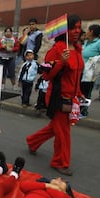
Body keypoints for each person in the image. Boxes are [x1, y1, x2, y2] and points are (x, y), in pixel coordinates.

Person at [26, 15, 85, 176]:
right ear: (65, 31)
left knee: (56, 128)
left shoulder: (78, 50)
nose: (77, 31)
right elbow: (46, 75)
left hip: (71, 97)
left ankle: (32, 141)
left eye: (79, 28)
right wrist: (61, 62)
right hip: (57, 97)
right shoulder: (57, 49)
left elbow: (76, 76)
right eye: (73, 28)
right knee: (63, 132)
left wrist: (79, 93)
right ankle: (60, 162)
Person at [80, 24, 100, 117]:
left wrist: (96, 59)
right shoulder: (85, 42)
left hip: (90, 72)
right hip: (80, 71)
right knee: (79, 91)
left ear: (92, 32)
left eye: (88, 30)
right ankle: (76, 109)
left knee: (86, 92)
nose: (86, 32)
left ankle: (83, 111)